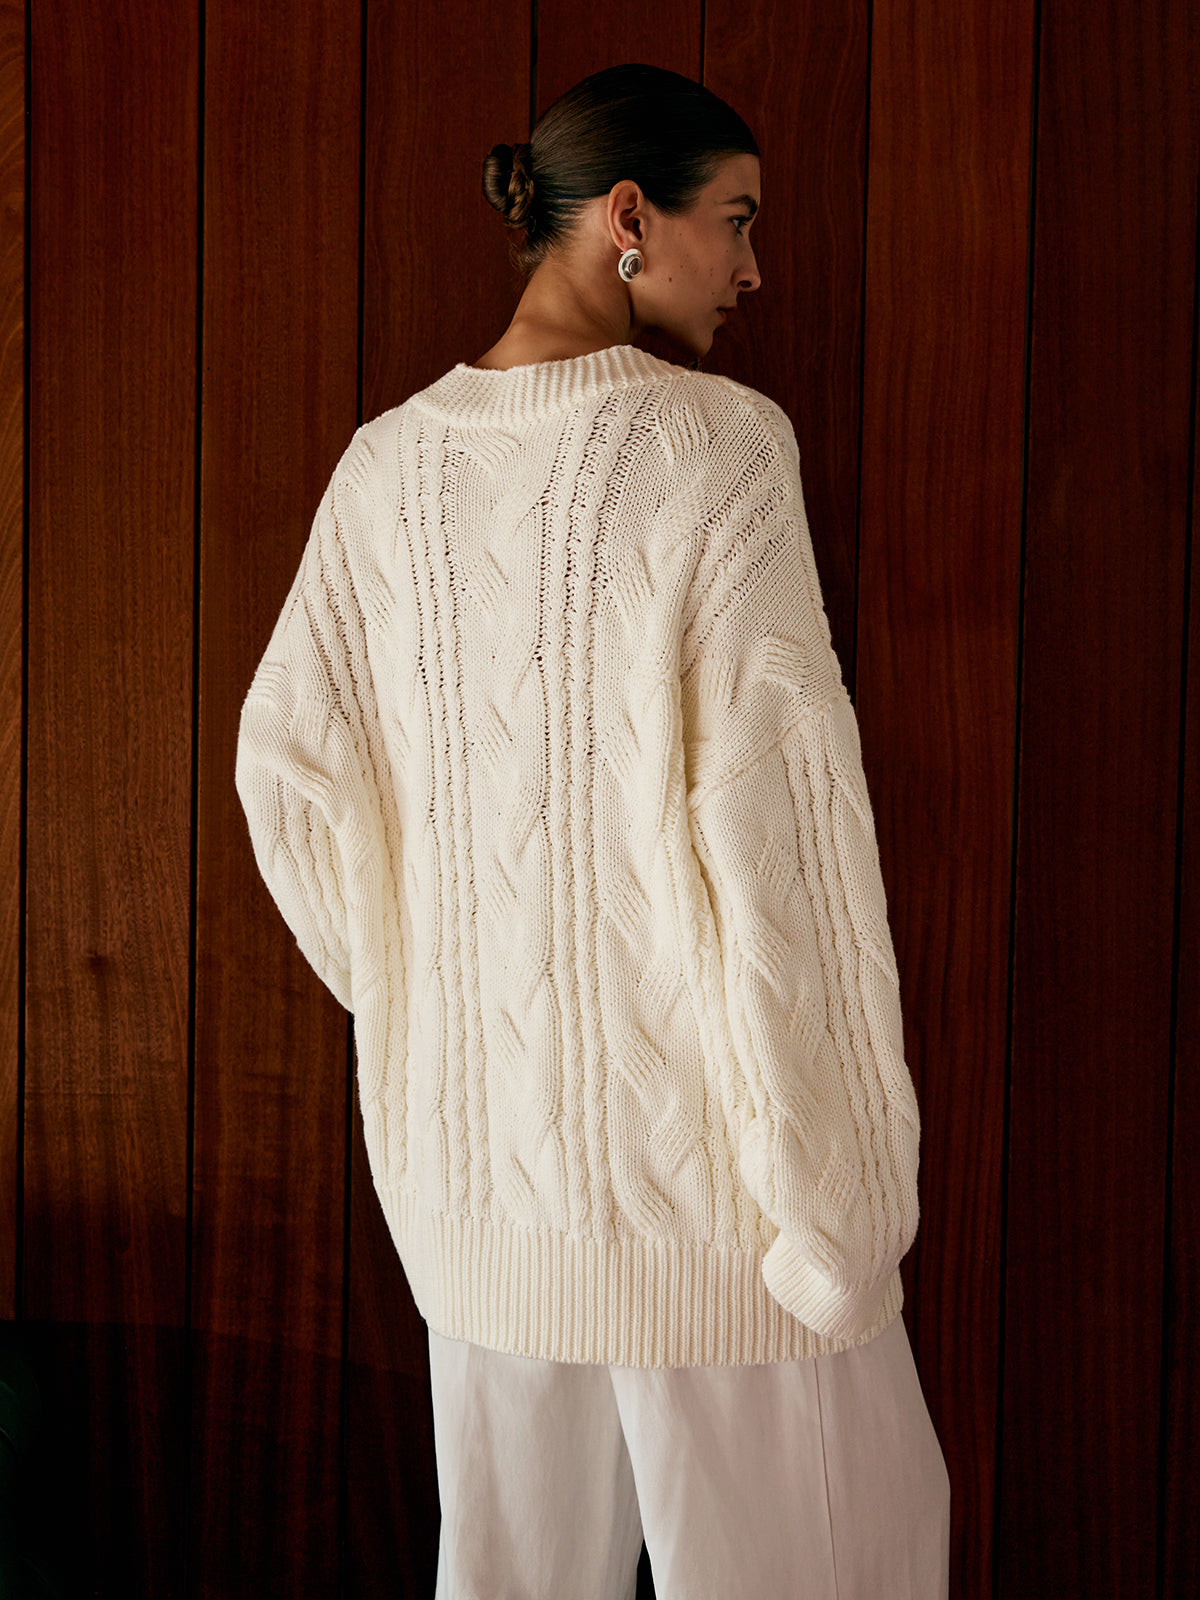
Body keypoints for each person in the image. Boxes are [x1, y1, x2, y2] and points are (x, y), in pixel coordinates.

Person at [236, 62, 949, 1600]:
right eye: (735, 220)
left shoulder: (385, 469)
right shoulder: (716, 451)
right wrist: (839, 1205)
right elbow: (786, 841)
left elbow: (287, 777)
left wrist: (430, 1000)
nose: (755, 269)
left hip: (478, 1208)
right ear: (630, 216)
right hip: (722, 1217)